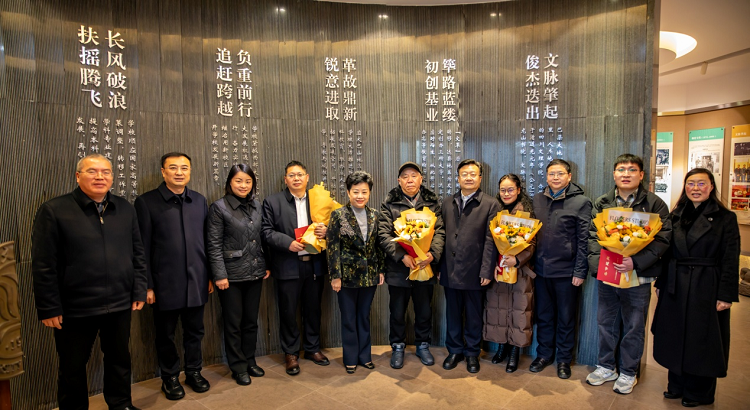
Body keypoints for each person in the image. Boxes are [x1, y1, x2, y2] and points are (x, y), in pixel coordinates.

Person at [32, 154, 146, 410]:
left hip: (118, 302)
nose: (99, 177)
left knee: (119, 359)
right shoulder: (54, 210)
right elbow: (43, 264)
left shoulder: (124, 208)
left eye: (105, 172)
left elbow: (137, 253)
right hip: (75, 306)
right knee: (72, 366)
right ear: (78, 176)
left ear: (112, 177)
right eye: (92, 171)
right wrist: (49, 307)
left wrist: (138, 289)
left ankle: (121, 404)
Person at [652, 168, 739, 407]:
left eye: (701, 183)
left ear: (711, 187)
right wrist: (661, 283)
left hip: (707, 284)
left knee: (702, 339)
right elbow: (668, 254)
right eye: (691, 183)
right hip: (676, 284)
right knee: (675, 334)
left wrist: (725, 295)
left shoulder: (725, 217)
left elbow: (730, 258)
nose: (696, 188)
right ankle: (676, 384)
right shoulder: (675, 215)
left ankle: (700, 392)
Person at [586, 154, 671, 394]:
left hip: (638, 276)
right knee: (605, 322)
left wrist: (635, 261)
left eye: (632, 170)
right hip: (608, 274)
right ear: (614, 174)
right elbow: (592, 236)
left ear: (641, 175)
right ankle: (606, 366)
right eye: (621, 169)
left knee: (634, 326)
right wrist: (599, 267)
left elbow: (663, 239)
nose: (626, 174)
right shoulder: (603, 202)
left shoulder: (655, 204)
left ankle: (628, 371)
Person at [134, 152, 212, 400]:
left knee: (195, 331)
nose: (179, 172)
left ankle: (194, 372)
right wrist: (147, 285)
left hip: (197, 279)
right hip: (164, 282)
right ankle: (169, 377)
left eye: (184, 168)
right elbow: (141, 247)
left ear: (190, 171)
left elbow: (207, 242)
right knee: (165, 334)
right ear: (163, 171)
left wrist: (209, 276)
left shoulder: (199, 200)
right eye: (173, 168)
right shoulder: (146, 202)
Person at [261, 160, 330, 376]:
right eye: (292, 175)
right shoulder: (272, 202)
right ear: (285, 180)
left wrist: (326, 231)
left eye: (300, 174)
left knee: (313, 309)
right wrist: (287, 242)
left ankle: (312, 348)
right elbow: (266, 231)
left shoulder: (318, 201)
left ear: (307, 178)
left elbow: (332, 226)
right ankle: (290, 353)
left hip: (314, 264)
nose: (296, 178)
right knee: (288, 311)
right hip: (287, 264)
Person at [207, 164, 270, 386]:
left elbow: (261, 237)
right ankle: (238, 366)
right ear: (229, 183)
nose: (243, 185)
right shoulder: (219, 207)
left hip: (255, 271)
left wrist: (266, 264)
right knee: (233, 323)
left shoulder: (256, 205)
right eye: (238, 181)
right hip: (230, 276)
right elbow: (213, 244)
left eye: (248, 181)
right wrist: (219, 275)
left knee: (251, 322)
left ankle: (250, 360)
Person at [378, 162, 444, 369]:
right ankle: (397, 346)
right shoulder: (389, 203)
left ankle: (423, 345)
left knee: (424, 310)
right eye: (405, 177)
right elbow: (383, 234)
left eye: (414, 176)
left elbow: (440, 231)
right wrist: (401, 256)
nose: (409, 180)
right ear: (399, 181)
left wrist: (432, 255)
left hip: (425, 266)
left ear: (421, 179)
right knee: (397, 311)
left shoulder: (432, 203)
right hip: (399, 269)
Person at [531, 159, 592, 379]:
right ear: (546, 176)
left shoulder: (581, 202)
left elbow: (584, 240)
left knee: (566, 318)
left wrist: (579, 271)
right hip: (540, 271)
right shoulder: (537, 199)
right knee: (544, 316)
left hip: (567, 272)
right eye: (551, 174)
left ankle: (564, 359)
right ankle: (544, 355)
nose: (555, 178)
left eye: (560, 174)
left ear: (569, 176)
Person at [440, 159, 500, 373]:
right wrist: (439, 268)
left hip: (475, 270)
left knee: (474, 315)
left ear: (480, 178)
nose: (468, 177)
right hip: (450, 269)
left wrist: (486, 270)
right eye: (464, 174)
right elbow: (440, 236)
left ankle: (472, 353)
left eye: (473, 174)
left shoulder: (491, 204)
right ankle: (454, 350)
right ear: (458, 178)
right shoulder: (447, 203)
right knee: (453, 314)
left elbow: (491, 240)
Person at [327, 171, 385, 374]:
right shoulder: (338, 215)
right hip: (346, 278)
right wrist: (335, 276)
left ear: (370, 193)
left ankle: (365, 356)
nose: (360, 196)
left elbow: (379, 246)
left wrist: (380, 270)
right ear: (348, 192)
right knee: (349, 318)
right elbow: (332, 247)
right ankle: (350, 358)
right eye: (356, 191)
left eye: (364, 192)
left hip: (369, 276)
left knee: (363, 317)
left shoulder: (375, 215)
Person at [483, 173, 536, 373]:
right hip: (499, 269)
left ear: (519, 190)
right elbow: (490, 241)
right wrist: (493, 263)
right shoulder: (495, 210)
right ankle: (501, 347)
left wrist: (517, 259)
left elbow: (532, 243)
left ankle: (515, 351)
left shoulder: (527, 213)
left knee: (518, 311)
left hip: (520, 271)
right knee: (499, 310)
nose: (506, 193)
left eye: (510, 189)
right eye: (503, 190)